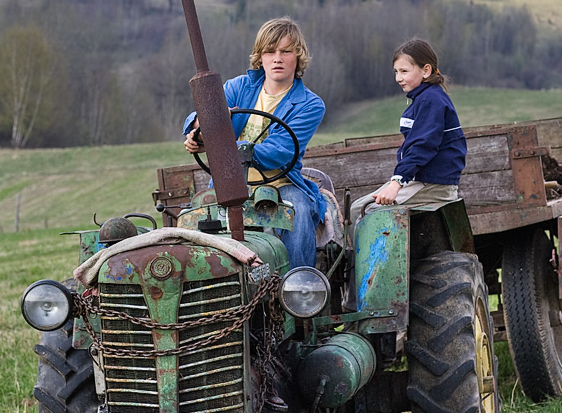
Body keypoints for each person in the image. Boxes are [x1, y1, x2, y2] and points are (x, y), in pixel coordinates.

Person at [183, 16, 326, 269]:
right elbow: (200, 116)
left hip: (281, 184)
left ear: (298, 56)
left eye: (286, 51)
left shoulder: (310, 104)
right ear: (260, 57)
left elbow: (279, 151)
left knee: (301, 212)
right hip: (230, 182)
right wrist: (199, 134)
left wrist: (224, 146)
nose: (277, 58)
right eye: (270, 51)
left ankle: (298, 282)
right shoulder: (239, 87)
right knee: (196, 219)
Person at [349, 38, 467, 227]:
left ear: (426, 70)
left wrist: (396, 183)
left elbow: (422, 145)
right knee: (356, 208)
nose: (398, 78)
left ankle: (366, 248)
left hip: (433, 182)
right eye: (396, 72)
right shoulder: (424, 98)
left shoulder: (430, 100)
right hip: (423, 180)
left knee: (366, 212)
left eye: (404, 71)